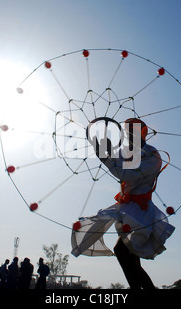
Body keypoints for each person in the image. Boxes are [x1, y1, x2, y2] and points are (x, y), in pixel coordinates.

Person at [71, 118, 175, 289]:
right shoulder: (130, 151)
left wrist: (105, 155)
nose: (129, 135)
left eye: (132, 131)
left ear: (143, 132)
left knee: (124, 252)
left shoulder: (151, 153)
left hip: (140, 210)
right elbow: (118, 164)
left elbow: (126, 173)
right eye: (127, 132)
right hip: (128, 207)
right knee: (128, 255)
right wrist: (102, 149)